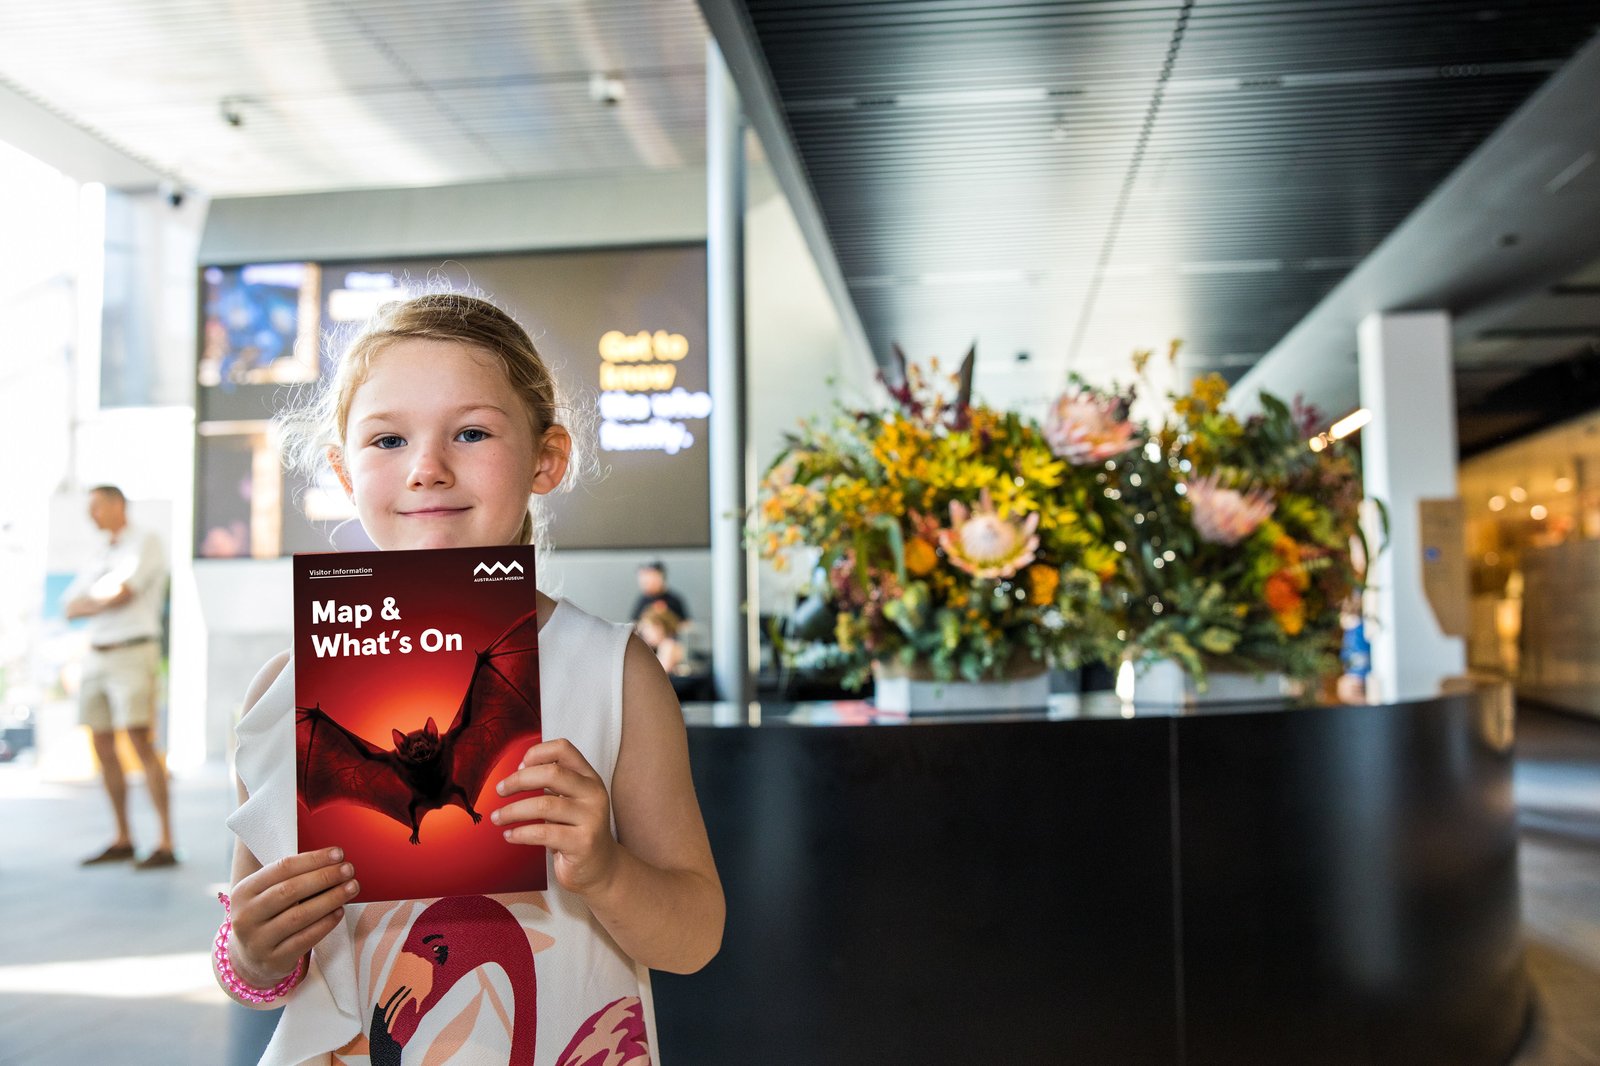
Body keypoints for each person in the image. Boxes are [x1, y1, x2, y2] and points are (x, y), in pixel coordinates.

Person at [217, 292, 723, 1064]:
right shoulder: (289, 691)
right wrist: (253, 954)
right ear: (343, 472)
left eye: (472, 432)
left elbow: (694, 940)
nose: (426, 468)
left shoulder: (610, 671)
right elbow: (254, 965)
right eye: (387, 439)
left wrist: (608, 870)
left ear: (547, 458)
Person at [64, 484, 177, 869]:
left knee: (139, 741)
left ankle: (165, 841)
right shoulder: (99, 552)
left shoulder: (146, 541)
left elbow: (124, 594)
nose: (90, 515)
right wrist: (99, 601)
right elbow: (69, 605)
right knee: (101, 743)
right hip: (96, 655)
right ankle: (123, 837)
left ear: (117, 504)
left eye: (96, 506)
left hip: (133, 649)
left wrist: (92, 603)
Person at [629, 561, 689, 626]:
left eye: (650, 577)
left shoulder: (674, 600)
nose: (645, 583)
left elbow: (686, 624)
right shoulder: (642, 600)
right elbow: (634, 623)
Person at [634, 604, 686, 675]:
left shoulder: (668, 645)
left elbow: (661, 672)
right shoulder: (665, 645)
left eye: (647, 627)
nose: (644, 633)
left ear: (659, 627)